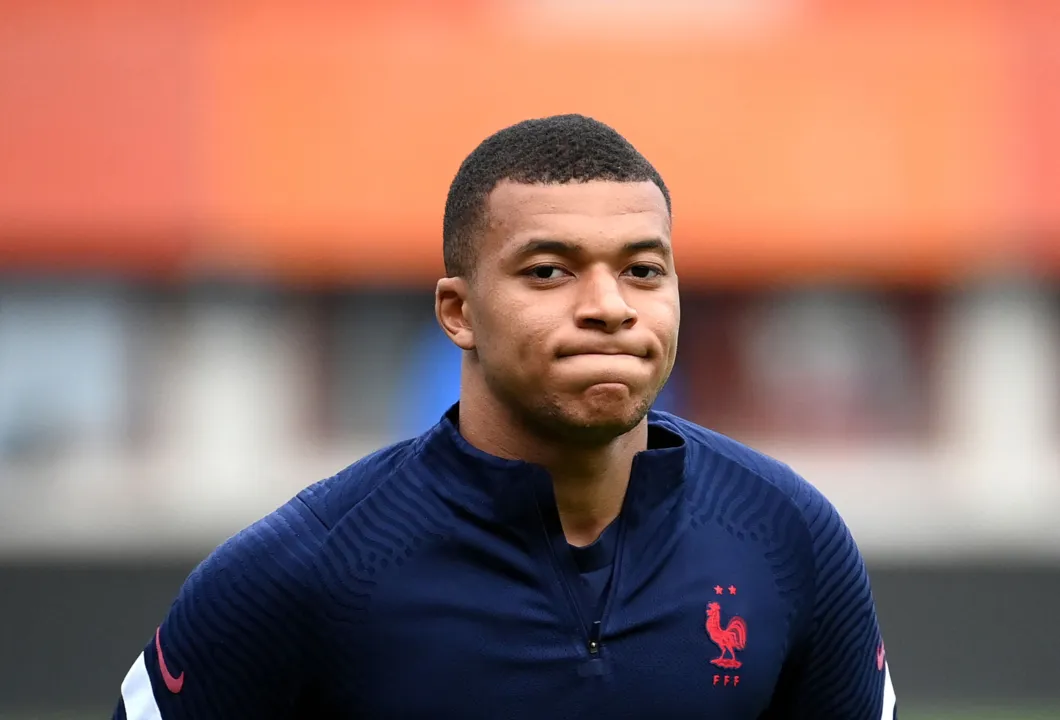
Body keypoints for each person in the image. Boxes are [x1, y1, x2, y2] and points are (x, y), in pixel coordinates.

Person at [114, 114, 897, 719]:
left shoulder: (788, 536)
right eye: (549, 271)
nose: (610, 308)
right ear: (459, 312)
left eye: (643, 270)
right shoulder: (304, 571)